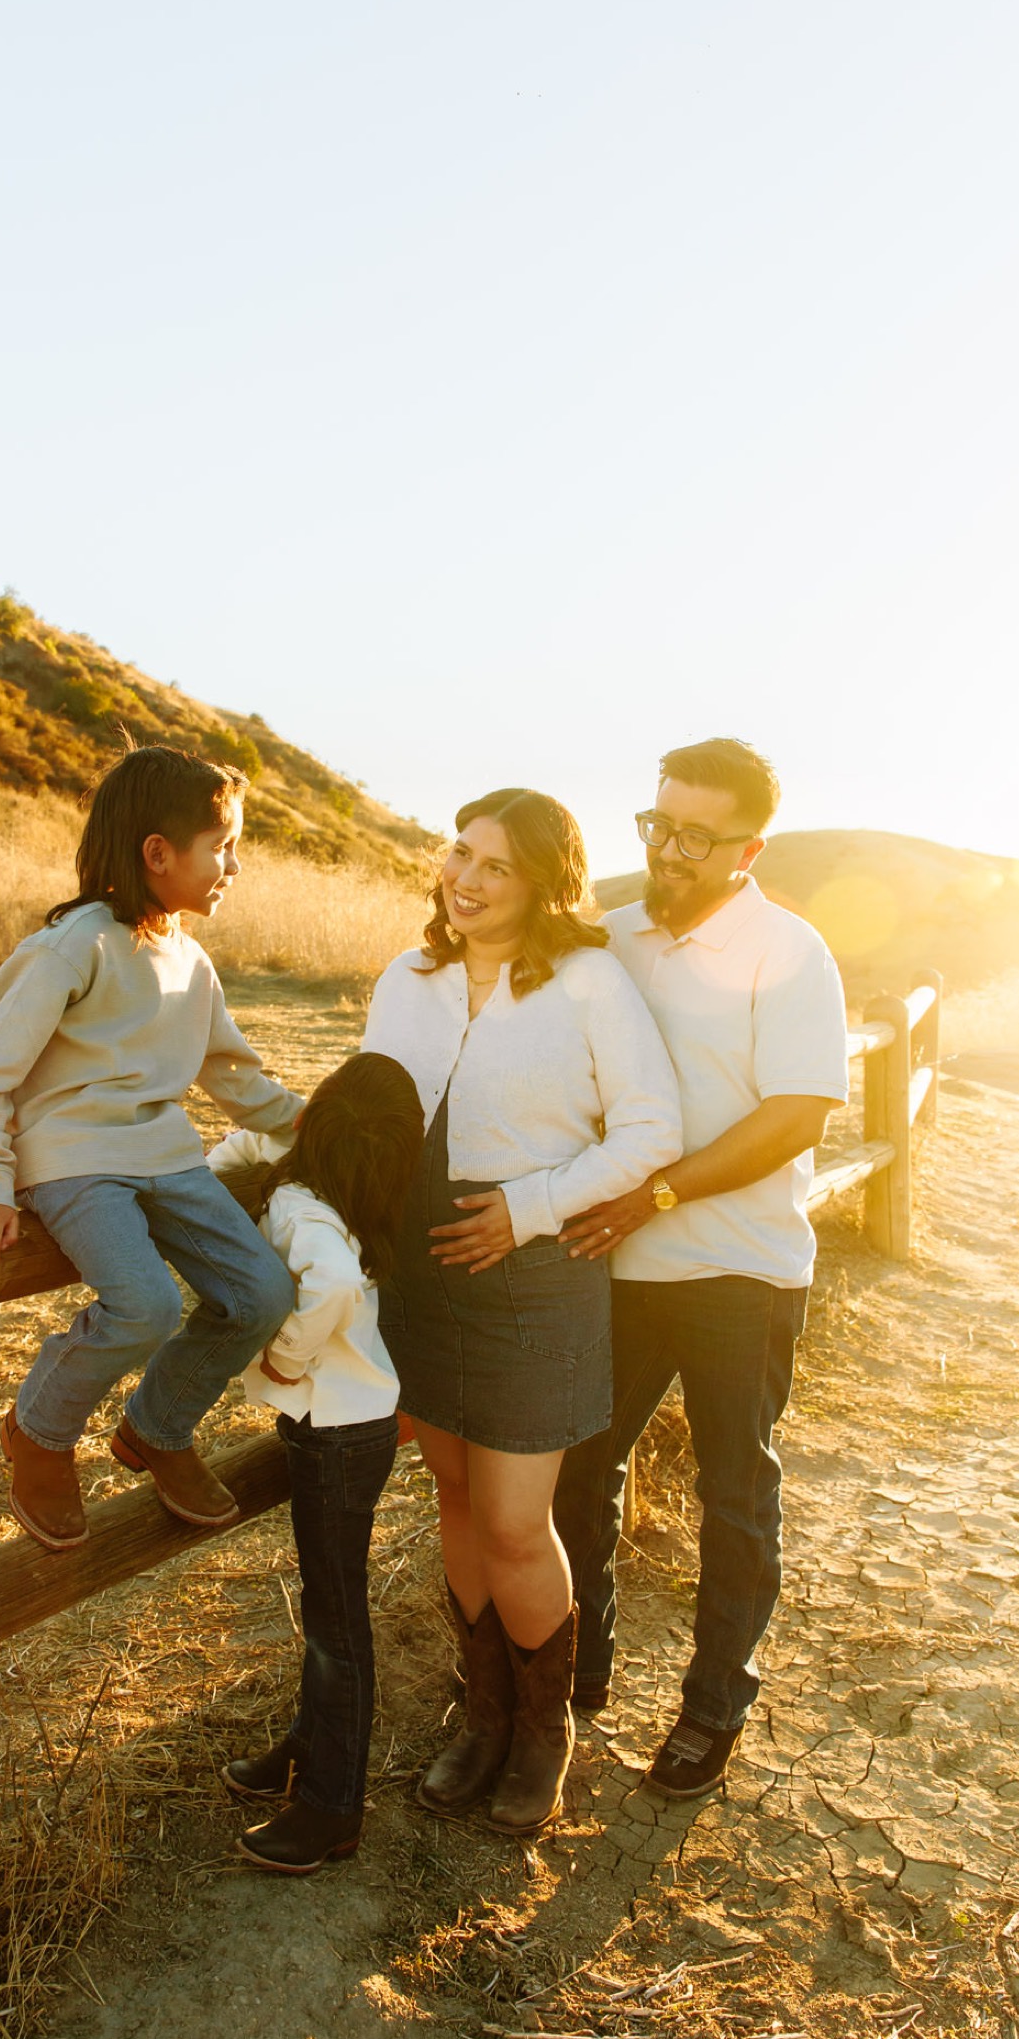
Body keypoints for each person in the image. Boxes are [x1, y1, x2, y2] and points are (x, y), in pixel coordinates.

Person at [363, 789, 681, 1835]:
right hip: (421, 1269)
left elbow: (651, 1130)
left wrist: (527, 1209)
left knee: (513, 1515)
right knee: (453, 1495)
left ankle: (546, 1730)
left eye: (497, 863)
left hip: (534, 1268)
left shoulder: (590, 981)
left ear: (547, 880)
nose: (468, 877)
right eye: (461, 852)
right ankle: (485, 1710)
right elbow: (373, 1113)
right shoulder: (407, 980)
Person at [552, 738, 848, 1800]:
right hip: (615, 1266)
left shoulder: (791, 948)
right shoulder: (611, 935)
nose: (669, 848)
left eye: (695, 835)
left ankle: (715, 1700)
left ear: (748, 846)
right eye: (657, 824)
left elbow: (797, 1113)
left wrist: (660, 1190)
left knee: (735, 1490)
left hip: (742, 1268)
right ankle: (576, 1675)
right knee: (580, 1470)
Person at [0, 742, 300, 1548]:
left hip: (167, 1156)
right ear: (159, 852)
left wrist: (311, 1125)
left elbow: (233, 1075)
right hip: (75, 1161)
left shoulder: (192, 960)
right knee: (146, 1304)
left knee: (263, 1293)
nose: (233, 865)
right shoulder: (79, 944)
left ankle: (158, 1426)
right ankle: (38, 1429)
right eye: (224, 846)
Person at [207, 1052, 426, 1875]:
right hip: (349, 1428)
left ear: (322, 1117)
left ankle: (333, 1807)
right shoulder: (342, 1193)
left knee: (337, 1619)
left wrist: (288, 1359)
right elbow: (238, 1153)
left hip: (335, 1430)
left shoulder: (301, 1203)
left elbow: (328, 1284)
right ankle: (307, 1745)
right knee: (326, 1600)